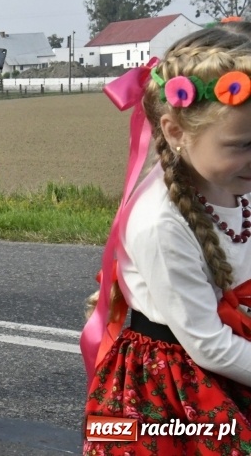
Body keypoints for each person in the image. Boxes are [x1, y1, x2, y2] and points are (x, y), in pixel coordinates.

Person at [81, 27, 251, 454]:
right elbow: (208, 345)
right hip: (173, 395)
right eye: (242, 144)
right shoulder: (161, 222)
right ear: (176, 131)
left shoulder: (236, 182)